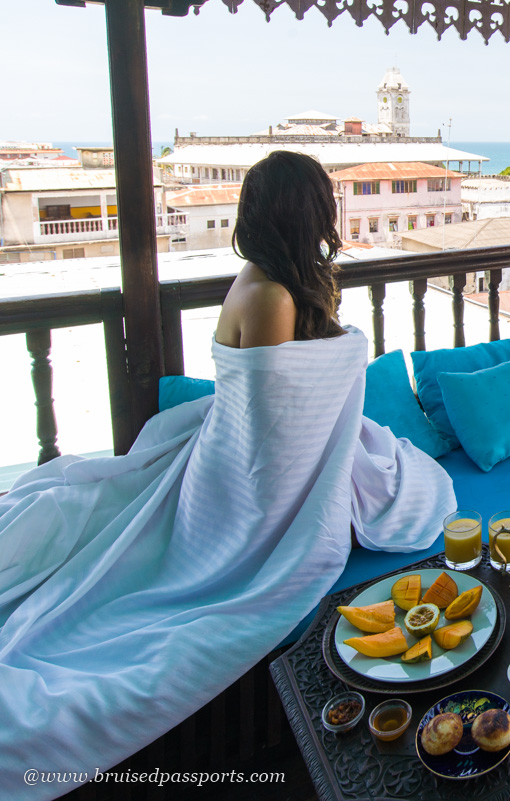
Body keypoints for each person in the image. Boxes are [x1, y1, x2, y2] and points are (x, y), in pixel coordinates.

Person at [0, 151, 456, 796]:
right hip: (240, 478)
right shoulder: (269, 294)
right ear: (308, 214)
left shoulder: (268, 278)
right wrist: (350, 351)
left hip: (238, 450)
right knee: (257, 568)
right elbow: (278, 424)